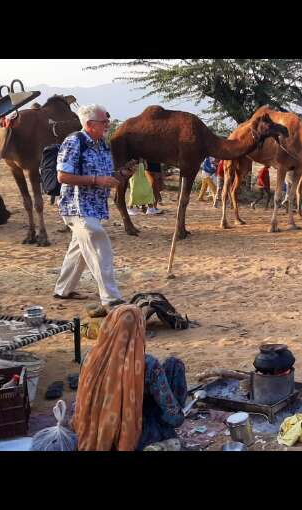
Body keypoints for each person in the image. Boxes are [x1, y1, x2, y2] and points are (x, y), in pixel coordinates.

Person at [72, 304, 187, 451]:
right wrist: (177, 414)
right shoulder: (148, 365)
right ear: (139, 330)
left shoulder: (89, 357)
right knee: (174, 365)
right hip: (133, 439)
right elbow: (174, 418)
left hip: (90, 433)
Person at [52, 104, 125, 307]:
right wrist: (97, 180)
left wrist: (120, 175)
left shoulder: (101, 144)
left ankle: (63, 290)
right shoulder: (74, 142)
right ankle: (111, 297)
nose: (107, 124)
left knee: (79, 250)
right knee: (99, 246)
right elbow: (63, 176)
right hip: (77, 207)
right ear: (89, 124)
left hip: (94, 206)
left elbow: (104, 175)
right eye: (104, 121)